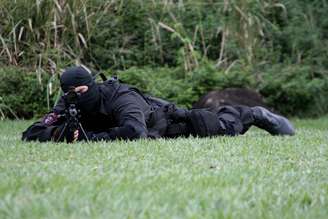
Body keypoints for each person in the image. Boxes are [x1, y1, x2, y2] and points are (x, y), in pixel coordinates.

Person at [22, 66, 295, 142]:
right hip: (140, 125)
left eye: (80, 90)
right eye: (70, 93)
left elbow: (134, 132)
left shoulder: (120, 97)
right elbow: (33, 131)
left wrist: (89, 137)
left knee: (217, 125)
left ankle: (255, 114)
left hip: (163, 121)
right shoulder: (69, 101)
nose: (75, 97)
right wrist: (60, 133)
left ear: (91, 86)